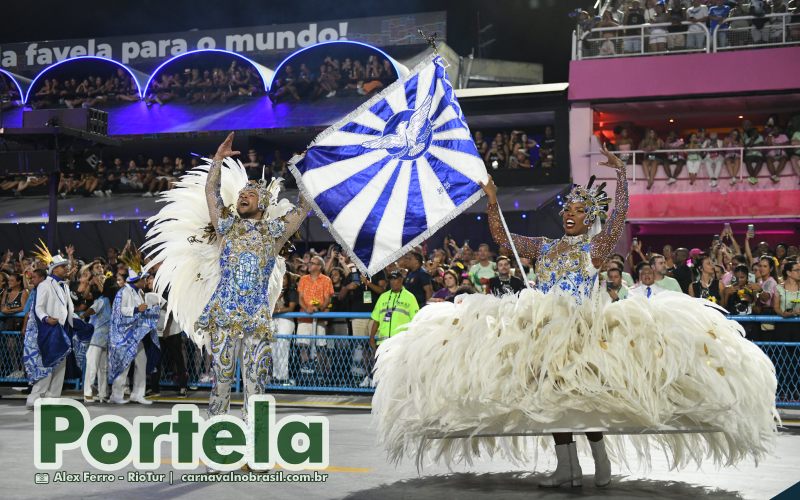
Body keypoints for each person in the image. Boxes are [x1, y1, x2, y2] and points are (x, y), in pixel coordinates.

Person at [371, 143, 777, 487]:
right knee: (552, 401)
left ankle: (599, 463)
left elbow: (617, 221)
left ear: (589, 217)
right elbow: (502, 238)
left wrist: (620, 179)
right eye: (568, 207)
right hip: (542, 331)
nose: (570, 213)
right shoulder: (546, 247)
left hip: (583, 331)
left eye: (579, 210)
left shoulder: (593, 250)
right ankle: (566, 466)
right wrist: (492, 201)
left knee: (587, 401)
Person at [108, 249, 160, 406]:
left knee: (141, 363)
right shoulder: (123, 292)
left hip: (136, 336)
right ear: (137, 280)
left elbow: (140, 311)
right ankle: (116, 395)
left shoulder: (139, 292)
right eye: (144, 279)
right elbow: (119, 312)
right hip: (124, 337)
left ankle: (138, 394)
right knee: (124, 366)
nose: (145, 281)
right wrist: (138, 309)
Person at [23, 253, 75, 409]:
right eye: (63, 266)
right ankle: (35, 397)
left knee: (60, 364)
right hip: (49, 329)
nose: (66, 268)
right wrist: (46, 318)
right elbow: (38, 307)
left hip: (62, 330)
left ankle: (53, 398)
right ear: (54, 269)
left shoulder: (64, 285)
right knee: (46, 364)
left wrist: (76, 321)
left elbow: (68, 308)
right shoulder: (45, 284)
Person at [366, 270, 419, 386]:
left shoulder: (410, 297)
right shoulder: (383, 297)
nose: (393, 282)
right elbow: (376, 320)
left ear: (401, 280)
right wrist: (371, 338)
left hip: (400, 342)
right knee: (383, 370)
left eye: (396, 279)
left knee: (398, 371)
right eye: (391, 279)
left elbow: (415, 321)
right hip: (383, 342)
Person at [82, 276, 116, 403]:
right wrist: (83, 315)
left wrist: (84, 315)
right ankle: (88, 394)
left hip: (103, 339)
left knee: (103, 368)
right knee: (94, 367)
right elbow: (92, 309)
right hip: (97, 338)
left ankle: (102, 394)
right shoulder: (105, 300)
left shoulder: (111, 301)